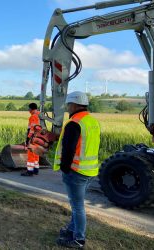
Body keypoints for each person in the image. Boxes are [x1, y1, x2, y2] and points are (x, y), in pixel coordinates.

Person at [54, 91, 100, 249]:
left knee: (77, 206)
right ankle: (72, 229)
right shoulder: (92, 121)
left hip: (76, 171)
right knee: (76, 204)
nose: (67, 108)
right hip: (90, 171)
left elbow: (69, 148)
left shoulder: (75, 123)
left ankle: (78, 239)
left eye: (68, 105)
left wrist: (65, 168)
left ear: (74, 105)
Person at [21, 103, 41, 176]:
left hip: (32, 138)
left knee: (30, 154)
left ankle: (30, 171)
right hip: (37, 138)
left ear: (31, 109)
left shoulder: (33, 117)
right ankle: (36, 169)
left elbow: (32, 129)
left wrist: (28, 139)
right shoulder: (38, 116)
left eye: (29, 108)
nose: (28, 110)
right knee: (36, 154)